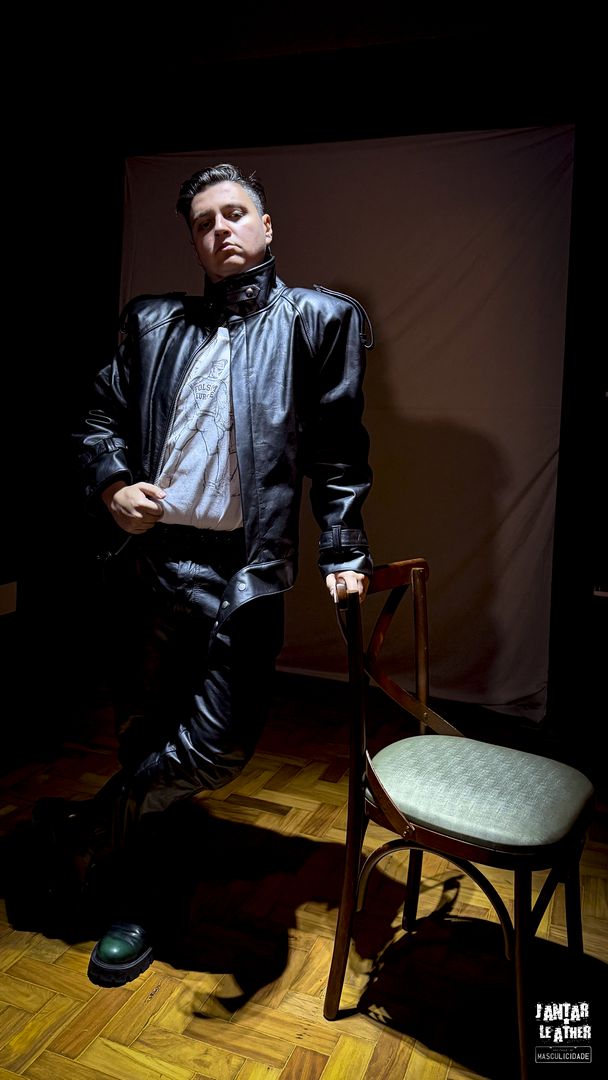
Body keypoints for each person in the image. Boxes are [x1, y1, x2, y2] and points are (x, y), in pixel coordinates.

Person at [34, 163, 373, 987]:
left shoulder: (318, 320)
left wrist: (343, 548)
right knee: (145, 739)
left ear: (266, 226)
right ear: (193, 240)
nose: (221, 229)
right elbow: (96, 420)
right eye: (203, 221)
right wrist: (114, 487)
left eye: (235, 213)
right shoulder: (153, 323)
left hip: (242, 575)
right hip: (150, 566)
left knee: (216, 751)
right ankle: (137, 898)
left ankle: (89, 830)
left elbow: (336, 450)